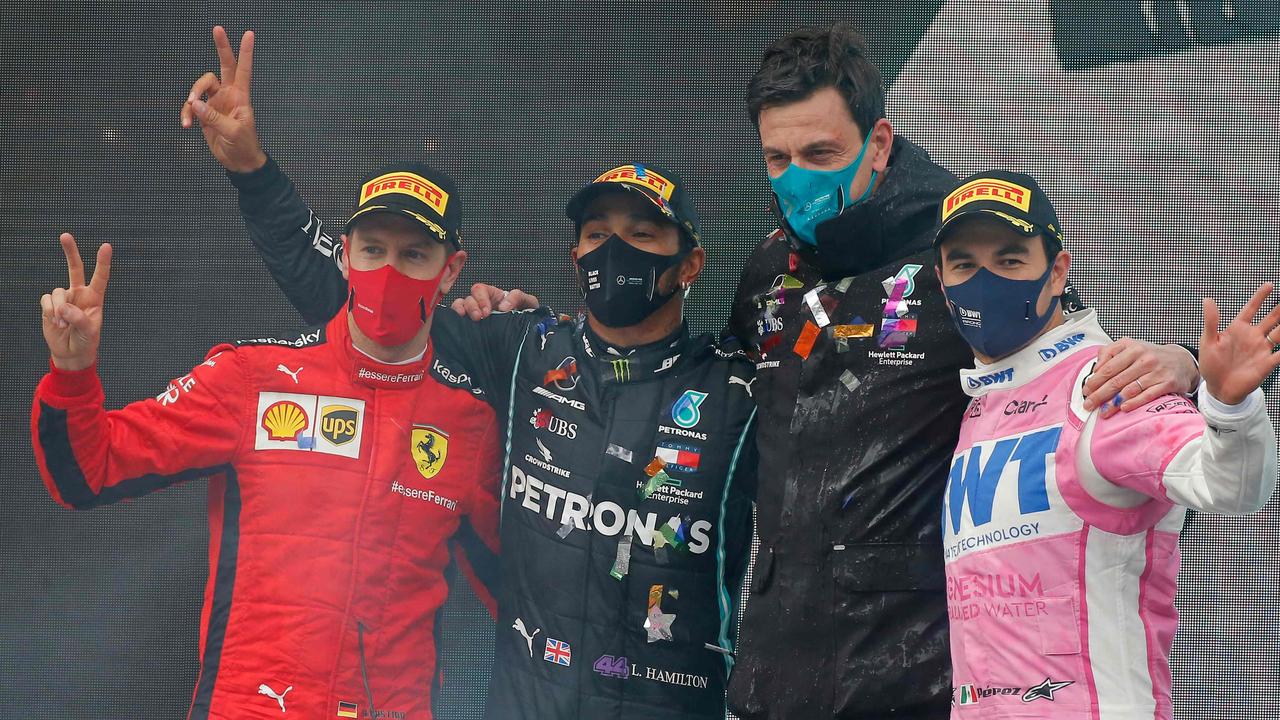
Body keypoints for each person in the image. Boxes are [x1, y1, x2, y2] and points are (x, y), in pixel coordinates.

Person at [181, 27, 757, 719]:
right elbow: (346, 292)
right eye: (598, 234)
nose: (615, 251)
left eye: (641, 235)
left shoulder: (739, 391)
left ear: (689, 263)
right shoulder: (521, 352)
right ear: (575, 252)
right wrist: (252, 172)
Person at [723, 22, 1203, 719]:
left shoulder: (957, 250)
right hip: (775, 679)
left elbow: (1079, 373)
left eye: (821, 152)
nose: (797, 176)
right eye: (777, 157)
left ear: (879, 143)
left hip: (916, 684)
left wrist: (1184, 365)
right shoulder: (770, 266)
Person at [31, 162, 501, 720]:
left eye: (414, 255)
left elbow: (531, 595)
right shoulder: (253, 379)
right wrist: (72, 372)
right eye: (373, 249)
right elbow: (89, 471)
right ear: (346, 254)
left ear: (450, 273)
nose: (389, 269)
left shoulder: (472, 421)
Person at [933, 169, 1277, 718]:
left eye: (1010, 260)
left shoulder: (1106, 382)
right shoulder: (980, 404)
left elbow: (1231, 487)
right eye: (965, 265)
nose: (986, 281)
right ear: (942, 280)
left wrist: (1229, 405)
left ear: (1057, 272)